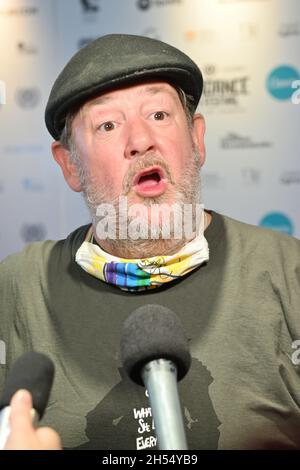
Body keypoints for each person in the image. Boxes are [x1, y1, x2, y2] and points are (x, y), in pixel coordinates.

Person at [1, 34, 300, 450]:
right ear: (70, 164)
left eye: (159, 114)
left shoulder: (290, 273)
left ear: (196, 140)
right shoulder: (17, 290)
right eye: (107, 125)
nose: (140, 140)